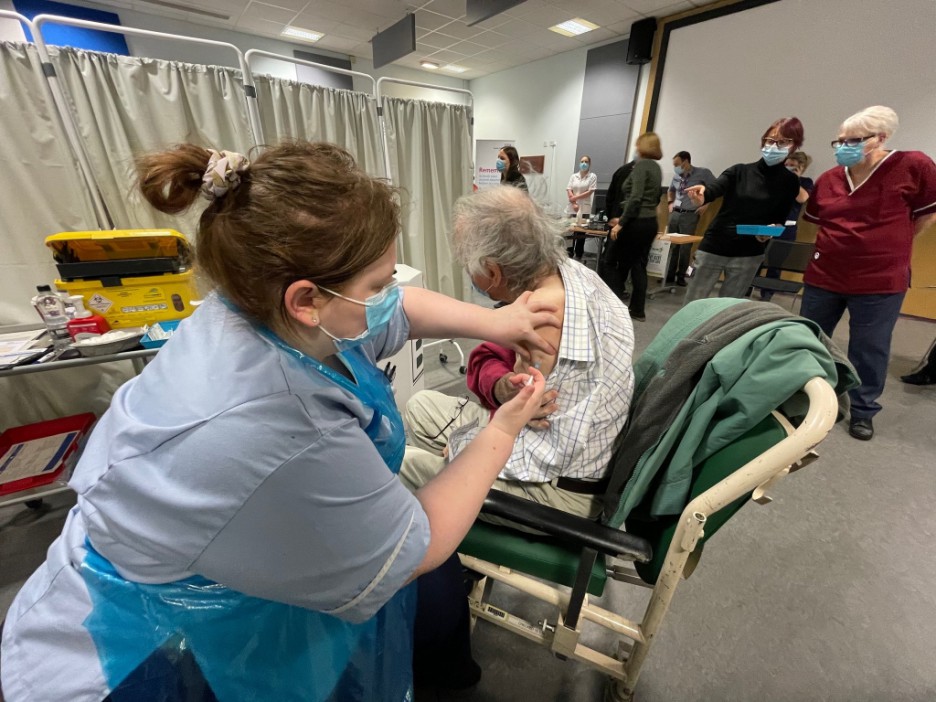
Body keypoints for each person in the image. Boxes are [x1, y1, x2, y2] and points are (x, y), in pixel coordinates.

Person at [0, 142, 559, 701]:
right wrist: (503, 429)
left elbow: (398, 310)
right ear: (305, 299)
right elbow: (417, 546)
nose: (389, 295)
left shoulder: (259, 307)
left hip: (203, 559)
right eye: (378, 283)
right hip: (133, 649)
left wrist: (499, 322)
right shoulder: (277, 425)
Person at [400, 186, 635, 524]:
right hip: (545, 444)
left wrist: (465, 451)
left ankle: (438, 546)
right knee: (418, 406)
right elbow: (495, 368)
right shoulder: (570, 273)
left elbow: (546, 452)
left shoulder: (544, 317)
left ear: (493, 272)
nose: (467, 271)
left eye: (467, 262)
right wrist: (502, 387)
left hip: (558, 490)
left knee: (406, 464)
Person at [799, 106, 936, 440]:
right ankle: (811, 400)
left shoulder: (914, 165)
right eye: (839, 141)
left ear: (881, 139)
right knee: (811, 340)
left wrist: (891, 245)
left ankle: (862, 410)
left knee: (869, 347)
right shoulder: (830, 178)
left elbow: (925, 216)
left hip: (879, 280)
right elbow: (814, 218)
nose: (844, 146)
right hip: (825, 275)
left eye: (854, 140)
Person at [682, 117, 804, 304]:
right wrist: (703, 195)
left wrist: (769, 231)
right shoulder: (739, 171)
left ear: (794, 146)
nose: (774, 146)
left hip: (749, 253)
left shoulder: (790, 182)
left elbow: (780, 217)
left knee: (728, 309)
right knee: (693, 303)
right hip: (715, 247)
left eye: (783, 142)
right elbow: (714, 189)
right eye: (770, 140)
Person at [607, 132, 664, 321]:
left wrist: (620, 223)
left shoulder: (641, 167)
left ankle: (612, 305)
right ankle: (637, 309)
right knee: (638, 264)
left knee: (615, 262)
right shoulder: (656, 168)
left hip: (636, 223)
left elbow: (635, 197)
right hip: (649, 222)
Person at [760, 150, 814, 300]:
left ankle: (767, 293)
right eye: (787, 165)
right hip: (767, 224)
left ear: (801, 168)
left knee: (775, 262)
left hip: (787, 228)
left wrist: (794, 178)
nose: (788, 168)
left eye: (793, 166)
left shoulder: (805, 182)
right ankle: (747, 288)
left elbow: (802, 198)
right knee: (756, 258)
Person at [666, 151, 716, 285]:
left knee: (685, 247)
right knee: (672, 246)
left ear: (686, 161)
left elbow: (716, 189)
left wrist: (706, 205)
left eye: (677, 164)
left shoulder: (703, 173)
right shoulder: (677, 175)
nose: (675, 167)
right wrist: (670, 202)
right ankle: (668, 275)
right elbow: (671, 190)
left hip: (689, 214)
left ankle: (681, 276)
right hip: (675, 213)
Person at [597, 157, 637, 285]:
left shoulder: (621, 171)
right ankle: (619, 287)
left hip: (615, 219)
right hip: (632, 223)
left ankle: (602, 285)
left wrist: (610, 217)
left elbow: (610, 197)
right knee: (624, 260)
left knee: (609, 257)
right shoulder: (646, 174)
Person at [565, 155, 599, 260]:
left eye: (586, 161)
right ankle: (569, 255)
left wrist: (575, 198)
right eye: (582, 161)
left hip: (585, 208)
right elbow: (569, 189)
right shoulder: (574, 176)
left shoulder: (592, 176)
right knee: (570, 231)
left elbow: (590, 191)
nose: (583, 163)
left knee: (581, 233)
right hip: (572, 207)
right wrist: (574, 202)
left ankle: (578, 256)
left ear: (589, 164)